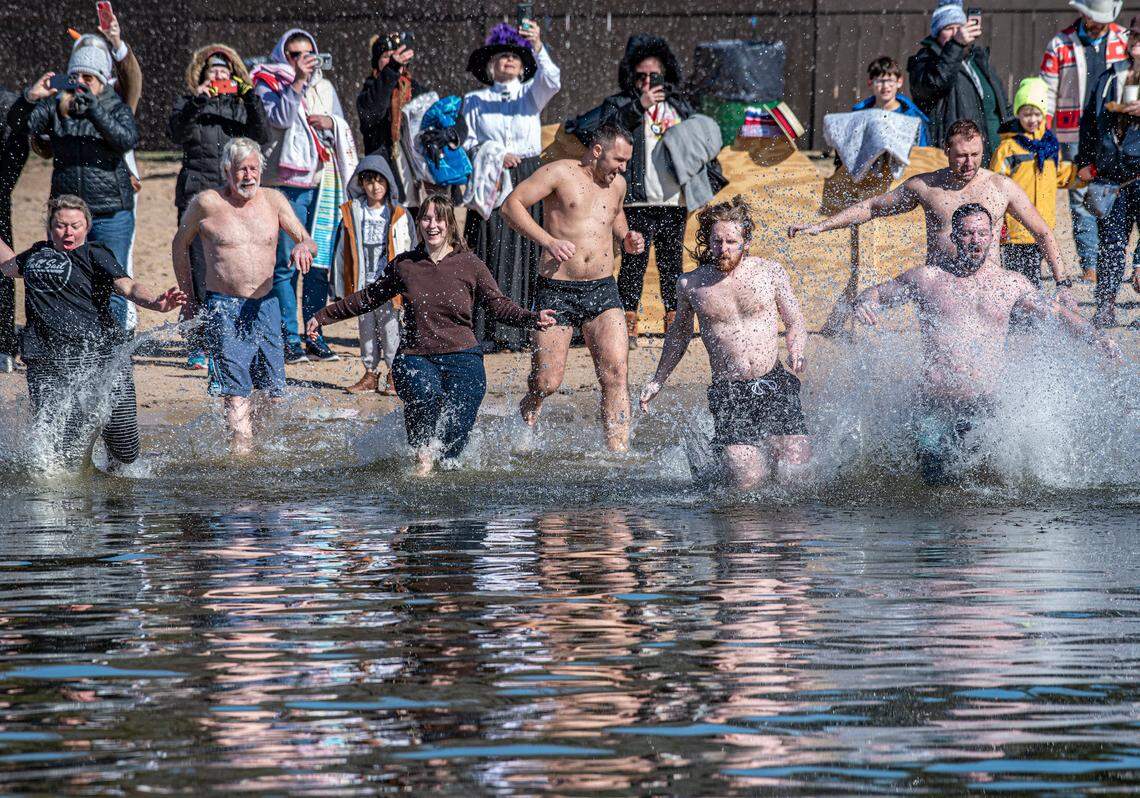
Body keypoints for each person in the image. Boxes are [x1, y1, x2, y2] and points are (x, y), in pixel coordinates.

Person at [850, 203, 1119, 485]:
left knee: (985, 489)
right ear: (954, 237)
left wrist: (1096, 337)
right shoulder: (928, 278)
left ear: (994, 235)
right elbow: (879, 294)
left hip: (985, 408)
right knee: (934, 486)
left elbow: (1057, 315)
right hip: (934, 406)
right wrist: (865, 302)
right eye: (966, 234)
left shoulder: (1011, 284)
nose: (974, 240)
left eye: (981, 233)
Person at [309, 193, 556, 476]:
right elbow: (368, 298)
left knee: (463, 412)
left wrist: (532, 318)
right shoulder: (405, 264)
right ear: (419, 223)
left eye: (439, 218)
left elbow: (499, 306)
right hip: (416, 356)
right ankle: (422, 455)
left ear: (450, 223)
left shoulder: (470, 264)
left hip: (463, 356)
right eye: (426, 218)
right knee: (425, 393)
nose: (432, 225)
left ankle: (448, 462)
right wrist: (323, 316)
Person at [789, 119, 1076, 302]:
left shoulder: (1001, 186)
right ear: (946, 151)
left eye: (975, 155)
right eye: (961, 155)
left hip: (987, 291)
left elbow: (1042, 232)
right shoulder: (926, 186)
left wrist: (1062, 284)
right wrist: (822, 226)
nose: (969, 163)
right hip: (941, 290)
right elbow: (872, 207)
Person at [0, 195, 184, 470]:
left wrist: (156, 303)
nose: (68, 232)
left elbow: (128, 287)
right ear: (50, 227)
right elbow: (7, 267)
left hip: (102, 358)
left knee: (126, 450)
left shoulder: (95, 254)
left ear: (87, 225)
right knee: (62, 451)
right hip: (48, 361)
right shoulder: (35, 254)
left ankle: (114, 483)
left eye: (75, 225)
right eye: (61, 226)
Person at [639, 198, 811, 491]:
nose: (724, 248)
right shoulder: (691, 284)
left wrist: (797, 351)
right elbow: (679, 335)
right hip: (730, 390)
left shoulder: (770, 272)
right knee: (746, 478)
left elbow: (795, 323)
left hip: (773, 381)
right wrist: (658, 380)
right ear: (707, 240)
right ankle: (717, 472)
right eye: (717, 241)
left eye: (732, 241)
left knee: (794, 470)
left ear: (746, 240)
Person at [500, 124, 647, 452]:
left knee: (616, 374)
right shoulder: (558, 173)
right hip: (557, 289)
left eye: (626, 162)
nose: (624, 168)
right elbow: (511, 206)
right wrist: (548, 241)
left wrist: (626, 237)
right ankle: (529, 409)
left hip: (603, 289)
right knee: (548, 381)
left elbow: (616, 215)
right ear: (597, 151)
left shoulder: (618, 184)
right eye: (619, 159)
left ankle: (617, 456)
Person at [567, 34, 717, 347]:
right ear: (631, 77)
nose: (647, 82)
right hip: (634, 200)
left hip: (674, 200)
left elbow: (703, 142)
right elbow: (592, 130)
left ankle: (676, 322)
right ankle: (626, 326)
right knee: (633, 263)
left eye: (654, 76)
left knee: (671, 264)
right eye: (641, 76)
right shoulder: (621, 104)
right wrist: (639, 107)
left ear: (667, 75)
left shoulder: (679, 107)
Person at [171, 138, 317, 453]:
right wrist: (187, 295)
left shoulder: (274, 201)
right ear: (227, 171)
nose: (248, 176)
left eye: (253, 169)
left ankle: (258, 450)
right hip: (224, 307)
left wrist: (304, 246)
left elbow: (305, 238)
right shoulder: (206, 203)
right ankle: (241, 458)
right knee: (236, 392)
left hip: (266, 306)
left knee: (273, 395)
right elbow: (179, 244)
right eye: (241, 170)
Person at [6, 38, 140, 335]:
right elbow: (17, 124)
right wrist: (30, 97)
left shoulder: (114, 105)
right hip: (65, 213)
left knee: (113, 283)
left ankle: (113, 353)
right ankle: (68, 346)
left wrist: (95, 110)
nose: (80, 82)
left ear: (102, 79)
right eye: (75, 76)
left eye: (88, 77)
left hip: (109, 211)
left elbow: (126, 140)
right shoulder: (57, 106)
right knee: (63, 278)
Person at [168, 44, 270, 370]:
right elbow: (174, 133)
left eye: (225, 72)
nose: (219, 77)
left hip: (234, 194)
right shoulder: (190, 102)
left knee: (232, 265)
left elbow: (262, 134)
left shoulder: (241, 106)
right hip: (197, 193)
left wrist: (250, 95)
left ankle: (234, 335)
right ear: (202, 74)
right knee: (200, 268)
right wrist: (198, 100)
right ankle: (201, 342)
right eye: (213, 71)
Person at [462, 20, 561, 352]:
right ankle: (488, 329)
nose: (509, 61)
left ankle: (523, 329)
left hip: (527, 177)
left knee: (526, 249)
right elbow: (468, 144)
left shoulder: (530, 94)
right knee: (490, 250)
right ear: (492, 64)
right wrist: (494, 155)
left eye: (516, 57)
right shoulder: (474, 100)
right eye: (503, 56)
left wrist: (537, 44)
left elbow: (553, 81)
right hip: (491, 177)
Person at [253, 28, 348, 364]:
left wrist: (330, 123)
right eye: (294, 54)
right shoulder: (267, 82)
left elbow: (340, 128)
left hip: (323, 185)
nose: (302, 59)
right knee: (285, 264)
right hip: (284, 185)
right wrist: (295, 83)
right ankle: (288, 337)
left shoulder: (324, 87)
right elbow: (277, 119)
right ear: (283, 55)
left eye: (308, 53)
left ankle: (314, 333)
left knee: (317, 265)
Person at [1040, 0, 1129, 283]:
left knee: (1116, 194)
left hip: (1114, 131)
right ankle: (1090, 263)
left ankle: (1112, 260)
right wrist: (1044, 130)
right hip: (1072, 131)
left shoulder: (1123, 40)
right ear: (1083, 13)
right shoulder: (1060, 44)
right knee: (1080, 197)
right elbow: (1046, 88)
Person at [331, 154, 417, 394]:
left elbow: (411, 247)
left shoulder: (399, 214)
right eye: (369, 182)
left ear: (388, 182)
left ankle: (393, 375)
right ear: (361, 184)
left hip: (389, 287)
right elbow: (341, 251)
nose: (375, 187)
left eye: (380, 181)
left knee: (391, 331)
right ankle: (370, 374)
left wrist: (412, 284)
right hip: (363, 286)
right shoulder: (353, 213)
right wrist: (338, 286)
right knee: (366, 332)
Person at [1076, 16, 1140, 328]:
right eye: (1135, 35)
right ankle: (1105, 305)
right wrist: (1083, 162)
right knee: (1111, 244)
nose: (1137, 42)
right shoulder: (1110, 76)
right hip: (1110, 177)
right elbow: (1088, 122)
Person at [990, 77, 1079, 287]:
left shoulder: (1050, 146)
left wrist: (1079, 174)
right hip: (1015, 228)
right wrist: (998, 222)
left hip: (1042, 225)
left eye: (1037, 113)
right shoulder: (1008, 148)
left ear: (1044, 114)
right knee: (1017, 279)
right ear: (1018, 113)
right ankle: (1016, 317)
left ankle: (1030, 317)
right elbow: (995, 187)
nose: (1032, 119)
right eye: (1026, 113)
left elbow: (1058, 177)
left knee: (1035, 279)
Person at [907, 0, 1012, 163]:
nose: (956, 32)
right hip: (955, 158)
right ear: (936, 33)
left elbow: (1002, 106)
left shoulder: (976, 59)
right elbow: (937, 83)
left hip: (993, 156)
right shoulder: (924, 61)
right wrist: (955, 44)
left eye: (959, 27)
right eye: (949, 28)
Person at [357, 32, 427, 208]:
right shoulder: (370, 91)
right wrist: (391, 71)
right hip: (383, 176)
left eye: (396, 56)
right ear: (377, 62)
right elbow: (373, 112)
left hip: (413, 177)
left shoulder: (417, 91)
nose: (392, 59)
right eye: (386, 56)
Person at [0, 87, 30, 374]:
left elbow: (18, 147)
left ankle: (4, 342)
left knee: (3, 269)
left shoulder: (6, 102)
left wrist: (2, 188)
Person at [852, 56, 931, 146]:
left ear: (899, 82)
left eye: (890, 80)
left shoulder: (912, 117)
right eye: (880, 81)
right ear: (870, 83)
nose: (885, 86)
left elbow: (922, 152)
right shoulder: (860, 115)